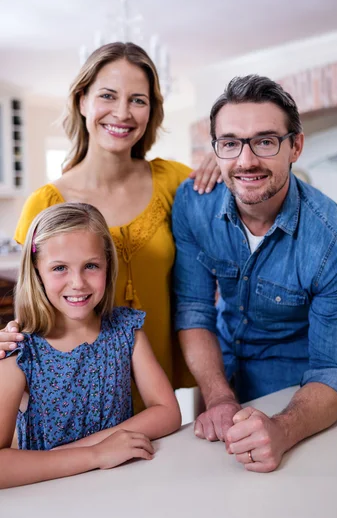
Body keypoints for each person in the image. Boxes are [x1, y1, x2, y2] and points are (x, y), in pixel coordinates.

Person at [0, 42, 221, 409]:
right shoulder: (45, 204)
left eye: (138, 100)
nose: (123, 113)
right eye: (107, 96)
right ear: (82, 101)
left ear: (151, 111)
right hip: (85, 397)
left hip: (164, 394)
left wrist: (225, 157)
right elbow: (34, 308)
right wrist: (8, 336)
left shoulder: (175, 182)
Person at [172, 74, 337, 473]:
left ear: (295, 146)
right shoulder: (193, 204)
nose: (245, 161)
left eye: (265, 141)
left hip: (294, 394)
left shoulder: (333, 241)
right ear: (217, 149)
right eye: (230, 144)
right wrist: (218, 396)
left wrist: (283, 429)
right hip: (216, 373)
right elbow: (194, 309)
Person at [0, 203, 181, 488]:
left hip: (121, 487)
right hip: (48, 500)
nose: (78, 282)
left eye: (91, 266)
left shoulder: (126, 330)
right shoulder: (19, 350)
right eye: (59, 268)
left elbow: (168, 412)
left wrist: (96, 450)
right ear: (36, 272)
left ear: (108, 265)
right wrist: (94, 454)